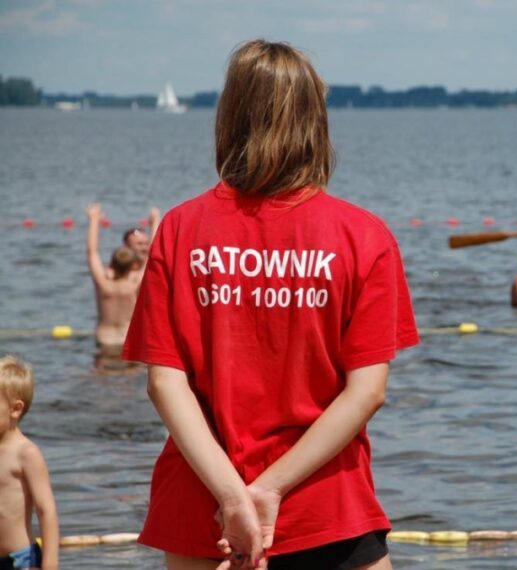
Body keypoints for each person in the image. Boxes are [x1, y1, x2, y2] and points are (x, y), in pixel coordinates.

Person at [123, 39, 419, 570]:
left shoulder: (180, 229)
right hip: (327, 506)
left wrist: (233, 497)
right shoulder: (364, 236)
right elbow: (367, 392)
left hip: (204, 509)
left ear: (230, 117)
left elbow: (164, 382)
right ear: (315, 120)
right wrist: (269, 491)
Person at [0, 356, 59, 570]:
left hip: (20, 560)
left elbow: (46, 510)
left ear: (15, 409)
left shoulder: (26, 453)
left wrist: (50, 563)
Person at [87, 203, 142, 351]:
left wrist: (93, 219)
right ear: (133, 266)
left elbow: (92, 252)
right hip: (128, 340)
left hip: (105, 340)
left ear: (111, 265)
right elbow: (153, 254)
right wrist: (156, 221)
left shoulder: (103, 284)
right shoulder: (135, 284)